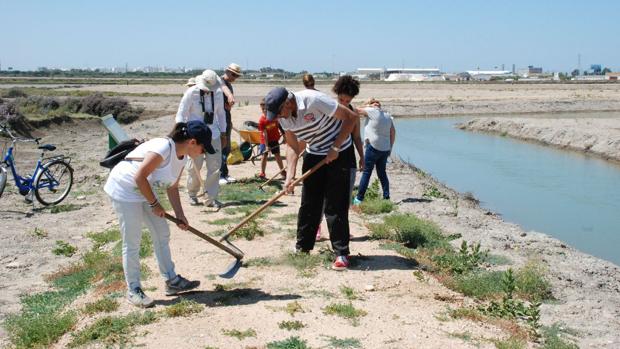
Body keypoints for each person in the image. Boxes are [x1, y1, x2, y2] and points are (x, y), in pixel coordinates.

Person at [103, 120, 216, 307]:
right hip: (124, 189)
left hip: (143, 189)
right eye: (204, 148)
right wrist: (155, 203)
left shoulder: (183, 157)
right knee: (132, 241)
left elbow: (172, 187)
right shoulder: (164, 147)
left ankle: (171, 281)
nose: (203, 153)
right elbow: (139, 176)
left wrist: (180, 214)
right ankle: (133, 289)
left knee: (161, 232)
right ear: (193, 142)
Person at [264, 87, 358, 270]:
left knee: (335, 204)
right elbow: (292, 146)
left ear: (288, 103)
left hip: (340, 151)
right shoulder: (283, 118)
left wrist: (336, 147)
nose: (278, 117)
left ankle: (341, 253)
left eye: (279, 112)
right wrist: (289, 176)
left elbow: (351, 118)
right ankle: (303, 248)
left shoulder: (313, 101)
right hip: (314, 152)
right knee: (309, 203)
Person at [316, 75, 364, 241]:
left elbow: (357, 137)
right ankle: (317, 226)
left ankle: (342, 230)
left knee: (345, 198)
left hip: (347, 158)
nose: (343, 103)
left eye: (347, 100)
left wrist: (362, 157)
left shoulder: (354, 113)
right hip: (326, 156)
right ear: (337, 94)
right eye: (341, 99)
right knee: (323, 196)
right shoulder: (329, 109)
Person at [175, 70, 230, 208]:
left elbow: (221, 115)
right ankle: (192, 194)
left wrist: (224, 134)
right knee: (194, 166)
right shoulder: (191, 93)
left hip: (214, 134)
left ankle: (210, 198)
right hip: (195, 136)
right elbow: (181, 114)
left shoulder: (218, 93)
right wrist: (181, 133)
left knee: (215, 167)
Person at [353, 99, 396, 204]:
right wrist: (390, 148)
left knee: (366, 172)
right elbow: (393, 133)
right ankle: (386, 197)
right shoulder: (387, 115)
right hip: (385, 148)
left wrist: (366, 104)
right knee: (382, 173)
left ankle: (359, 198)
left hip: (373, 147)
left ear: (373, 106)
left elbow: (354, 109)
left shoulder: (372, 111)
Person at [219, 63, 242, 185]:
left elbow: (228, 106)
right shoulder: (220, 81)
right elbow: (224, 89)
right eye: (233, 74)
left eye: (236, 76)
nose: (234, 77)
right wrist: (230, 95)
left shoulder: (229, 84)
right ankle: (220, 175)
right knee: (222, 147)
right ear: (227, 71)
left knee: (226, 148)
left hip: (226, 118)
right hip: (219, 120)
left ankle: (224, 173)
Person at [257, 98, 285, 179]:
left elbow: (280, 126)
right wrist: (266, 146)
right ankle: (262, 173)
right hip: (264, 141)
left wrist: (284, 136)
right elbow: (265, 134)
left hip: (274, 140)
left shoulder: (274, 117)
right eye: (262, 109)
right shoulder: (262, 121)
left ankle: (282, 171)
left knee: (277, 155)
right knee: (264, 156)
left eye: (266, 108)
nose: (264, 110)